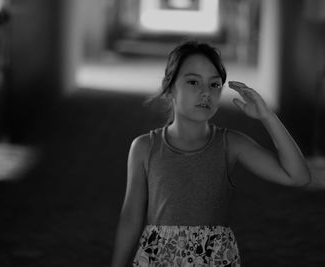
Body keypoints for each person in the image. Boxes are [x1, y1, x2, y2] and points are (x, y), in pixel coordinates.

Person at [110, 41, 311, 267]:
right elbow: (130, 218)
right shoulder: (145, 147)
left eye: (214, 84)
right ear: (170, 87)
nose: (205, 92)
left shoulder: (231, 144)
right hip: (158, 259)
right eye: (193, 82)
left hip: (215, 260)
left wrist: (267, 116)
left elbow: (298, 176)